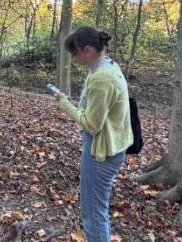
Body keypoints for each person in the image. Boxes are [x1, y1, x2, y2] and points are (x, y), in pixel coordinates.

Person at [54, 27, 132, 242]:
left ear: (87, 49)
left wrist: (64, 104)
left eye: (74, 53)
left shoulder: (102, 77)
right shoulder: (109, 66)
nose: (74, 58)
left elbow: (91, 125)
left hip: (102, 152)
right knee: (97, 209)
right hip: (113, 145)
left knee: (93, 213)